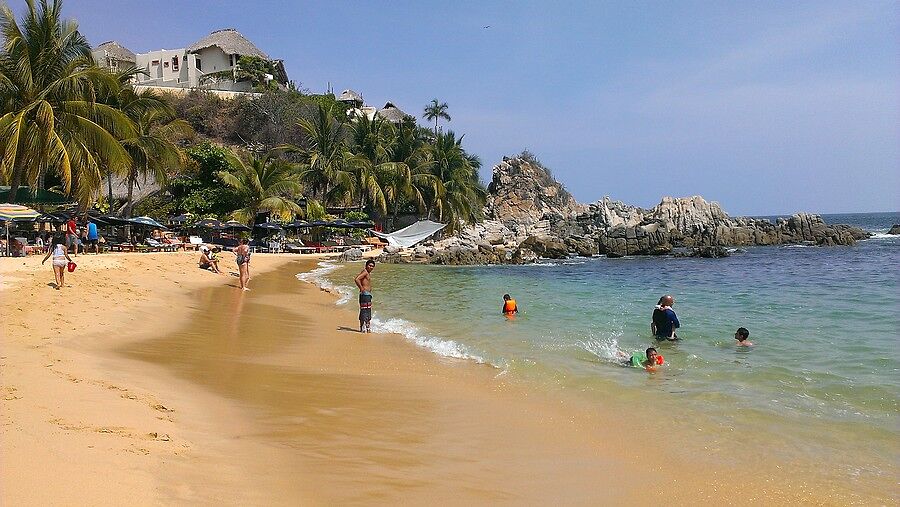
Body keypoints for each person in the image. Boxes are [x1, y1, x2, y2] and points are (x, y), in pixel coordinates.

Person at [354, 259, 375, 333]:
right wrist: (361, 288)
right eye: (370, 265)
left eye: (372, 266)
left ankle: (364, 328)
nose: (371, 267)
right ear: (366, 266)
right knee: (365, 311)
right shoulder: (365, 272)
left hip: (366, 295)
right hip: (365, 294)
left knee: (365, 311)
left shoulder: (367, 273)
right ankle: (366, 328)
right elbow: (357, 279)